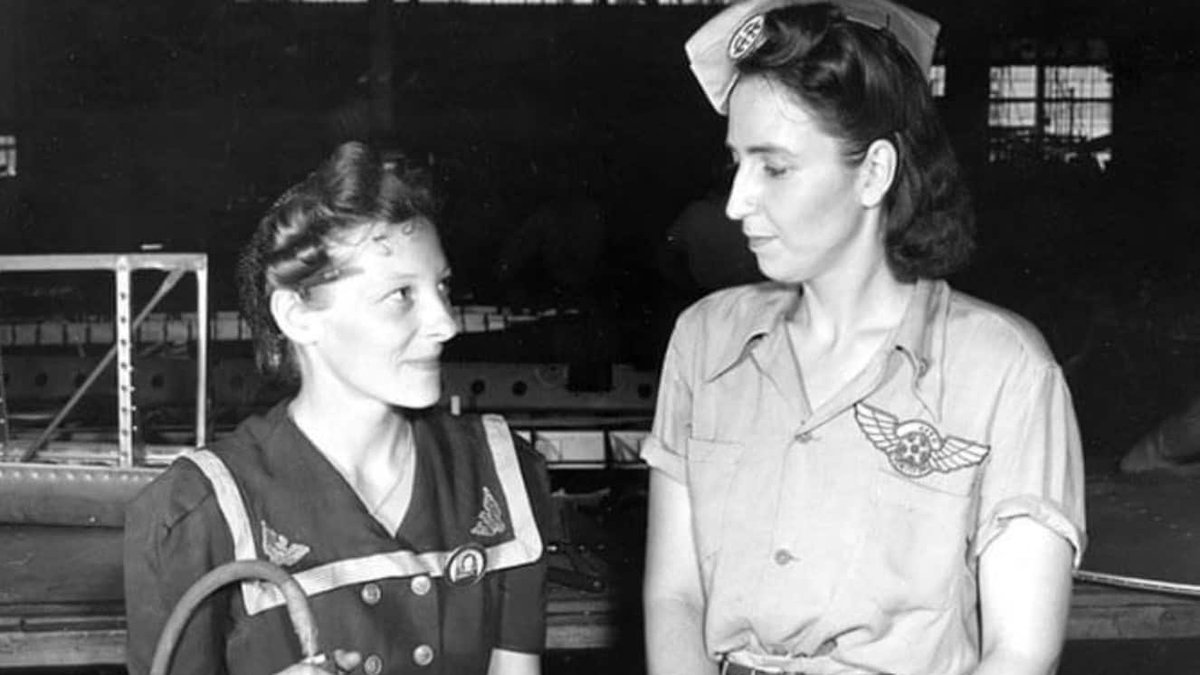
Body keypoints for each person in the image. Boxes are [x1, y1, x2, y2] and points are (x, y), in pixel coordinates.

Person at [641, 2, 1086, 674]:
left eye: (774, 168)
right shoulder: (705, 341)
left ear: (875, 172)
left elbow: (1020, 652)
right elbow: (674, 597)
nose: (735, 203)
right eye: (737, 163)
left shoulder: (1005, 369)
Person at [125, 142, 552, 675]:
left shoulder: (498, 474)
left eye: (442, 286)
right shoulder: (197, 513)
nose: (446, 323)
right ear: (298, 316)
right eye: (401, 295)